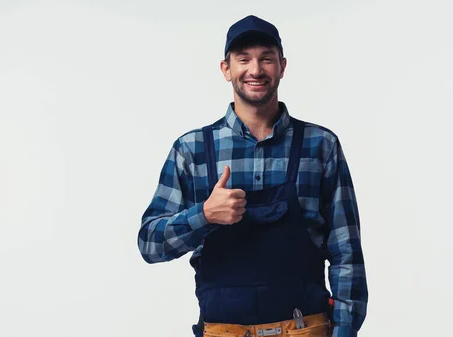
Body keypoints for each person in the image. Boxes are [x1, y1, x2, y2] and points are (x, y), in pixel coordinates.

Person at [138, 14, 368, 337]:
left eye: (266, 59)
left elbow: (347, 253)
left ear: (282, 66)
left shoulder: (320, 146)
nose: (255, 70)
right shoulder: (192, 150)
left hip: (306, 330)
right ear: (226, 69)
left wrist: (345, 332)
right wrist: (204, 215)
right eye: (243, 59)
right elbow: (149, 242)